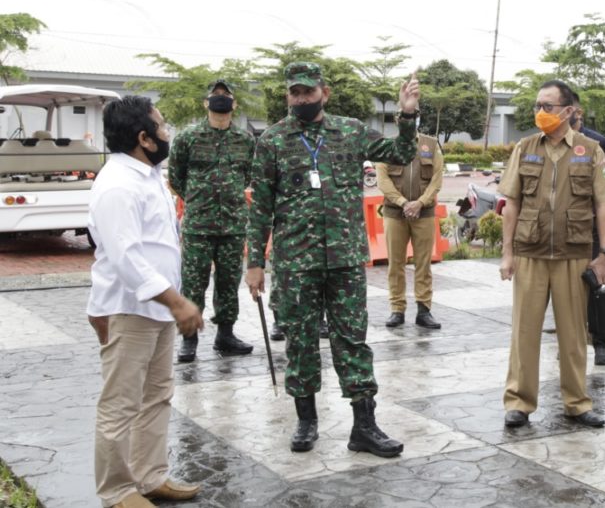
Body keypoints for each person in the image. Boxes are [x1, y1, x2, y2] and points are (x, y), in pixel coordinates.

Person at [244, 62, 419, 457]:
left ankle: (364, 426)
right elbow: (260, 208)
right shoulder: (272, 141)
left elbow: (401, 153)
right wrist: (255, 262)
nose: (301, 99)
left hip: (344, 259)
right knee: (302, 343)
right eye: (295, 93)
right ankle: (307, 421)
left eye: (308, 92)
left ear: (324, 92)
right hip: (295, 262)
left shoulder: (352, 130)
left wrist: (406, 114)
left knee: (352, 341)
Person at [86, 95, 204, 508]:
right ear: (144, 138)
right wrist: (177, 302)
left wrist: (169, 302)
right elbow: (126, 258)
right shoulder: (118, 184)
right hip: (128, 309)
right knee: (120, 404)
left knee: (157, 395)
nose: (166, 131)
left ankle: (150, 477)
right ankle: (118, 491)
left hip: (156, 309)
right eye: (161, 125)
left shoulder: (148, 175)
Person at [498, 80, 605, 429]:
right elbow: (511, 203)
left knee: (574, 334)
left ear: (568, 111)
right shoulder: (525, 147)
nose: (540, 113)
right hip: (530, 253)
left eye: (547, 106)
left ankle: (577, 402)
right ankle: (519, 401)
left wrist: (604, 254)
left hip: (574, 254)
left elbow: (602, 205)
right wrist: (507, 254)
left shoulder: (591, 150)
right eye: (537, 106)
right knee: (525, 332)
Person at [168, 79, 255, 363]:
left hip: (232, 225)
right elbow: (177, 177)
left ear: (234, 104)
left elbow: (249, 176)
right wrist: (198, 199)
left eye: (226, 95)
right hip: (198, 227)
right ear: (206, 103)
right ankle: (189, 339)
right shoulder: (188, 137)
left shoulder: (245, 140)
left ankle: (225, 335)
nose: (220, 99)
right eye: (215, 96)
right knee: (194, 284)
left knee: (229, 282)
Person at [569, 90, 605, 365]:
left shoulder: (598, 143)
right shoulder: (548, 144)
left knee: (598, 283)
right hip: (562, 230)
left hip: (589, 226)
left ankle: (602, 343)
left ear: (577, 112)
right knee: (566, 288)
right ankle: (571, 342)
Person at [377, 129, 444, 329]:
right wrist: (404, 202)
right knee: (395, 263)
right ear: (397, 120)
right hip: (394, 213)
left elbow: (437, 178)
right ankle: (397, 310)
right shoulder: (387, 145)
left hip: (424, 212)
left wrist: (420, 203)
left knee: (423, 263)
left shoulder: (431, 144)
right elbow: (382, 179)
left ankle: (424, 310)